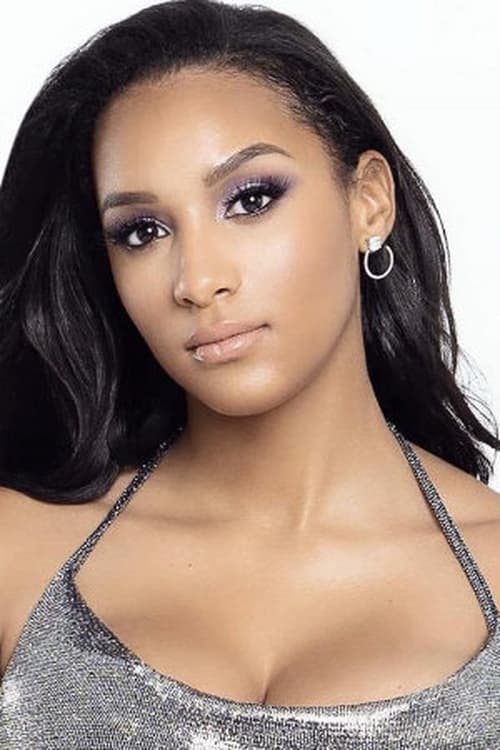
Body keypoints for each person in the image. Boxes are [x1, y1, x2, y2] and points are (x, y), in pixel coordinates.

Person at [0, 0, 499, 746]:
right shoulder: (17, 554)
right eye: (142, 231)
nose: (198, 281)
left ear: (369, 201)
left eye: (250, 200)